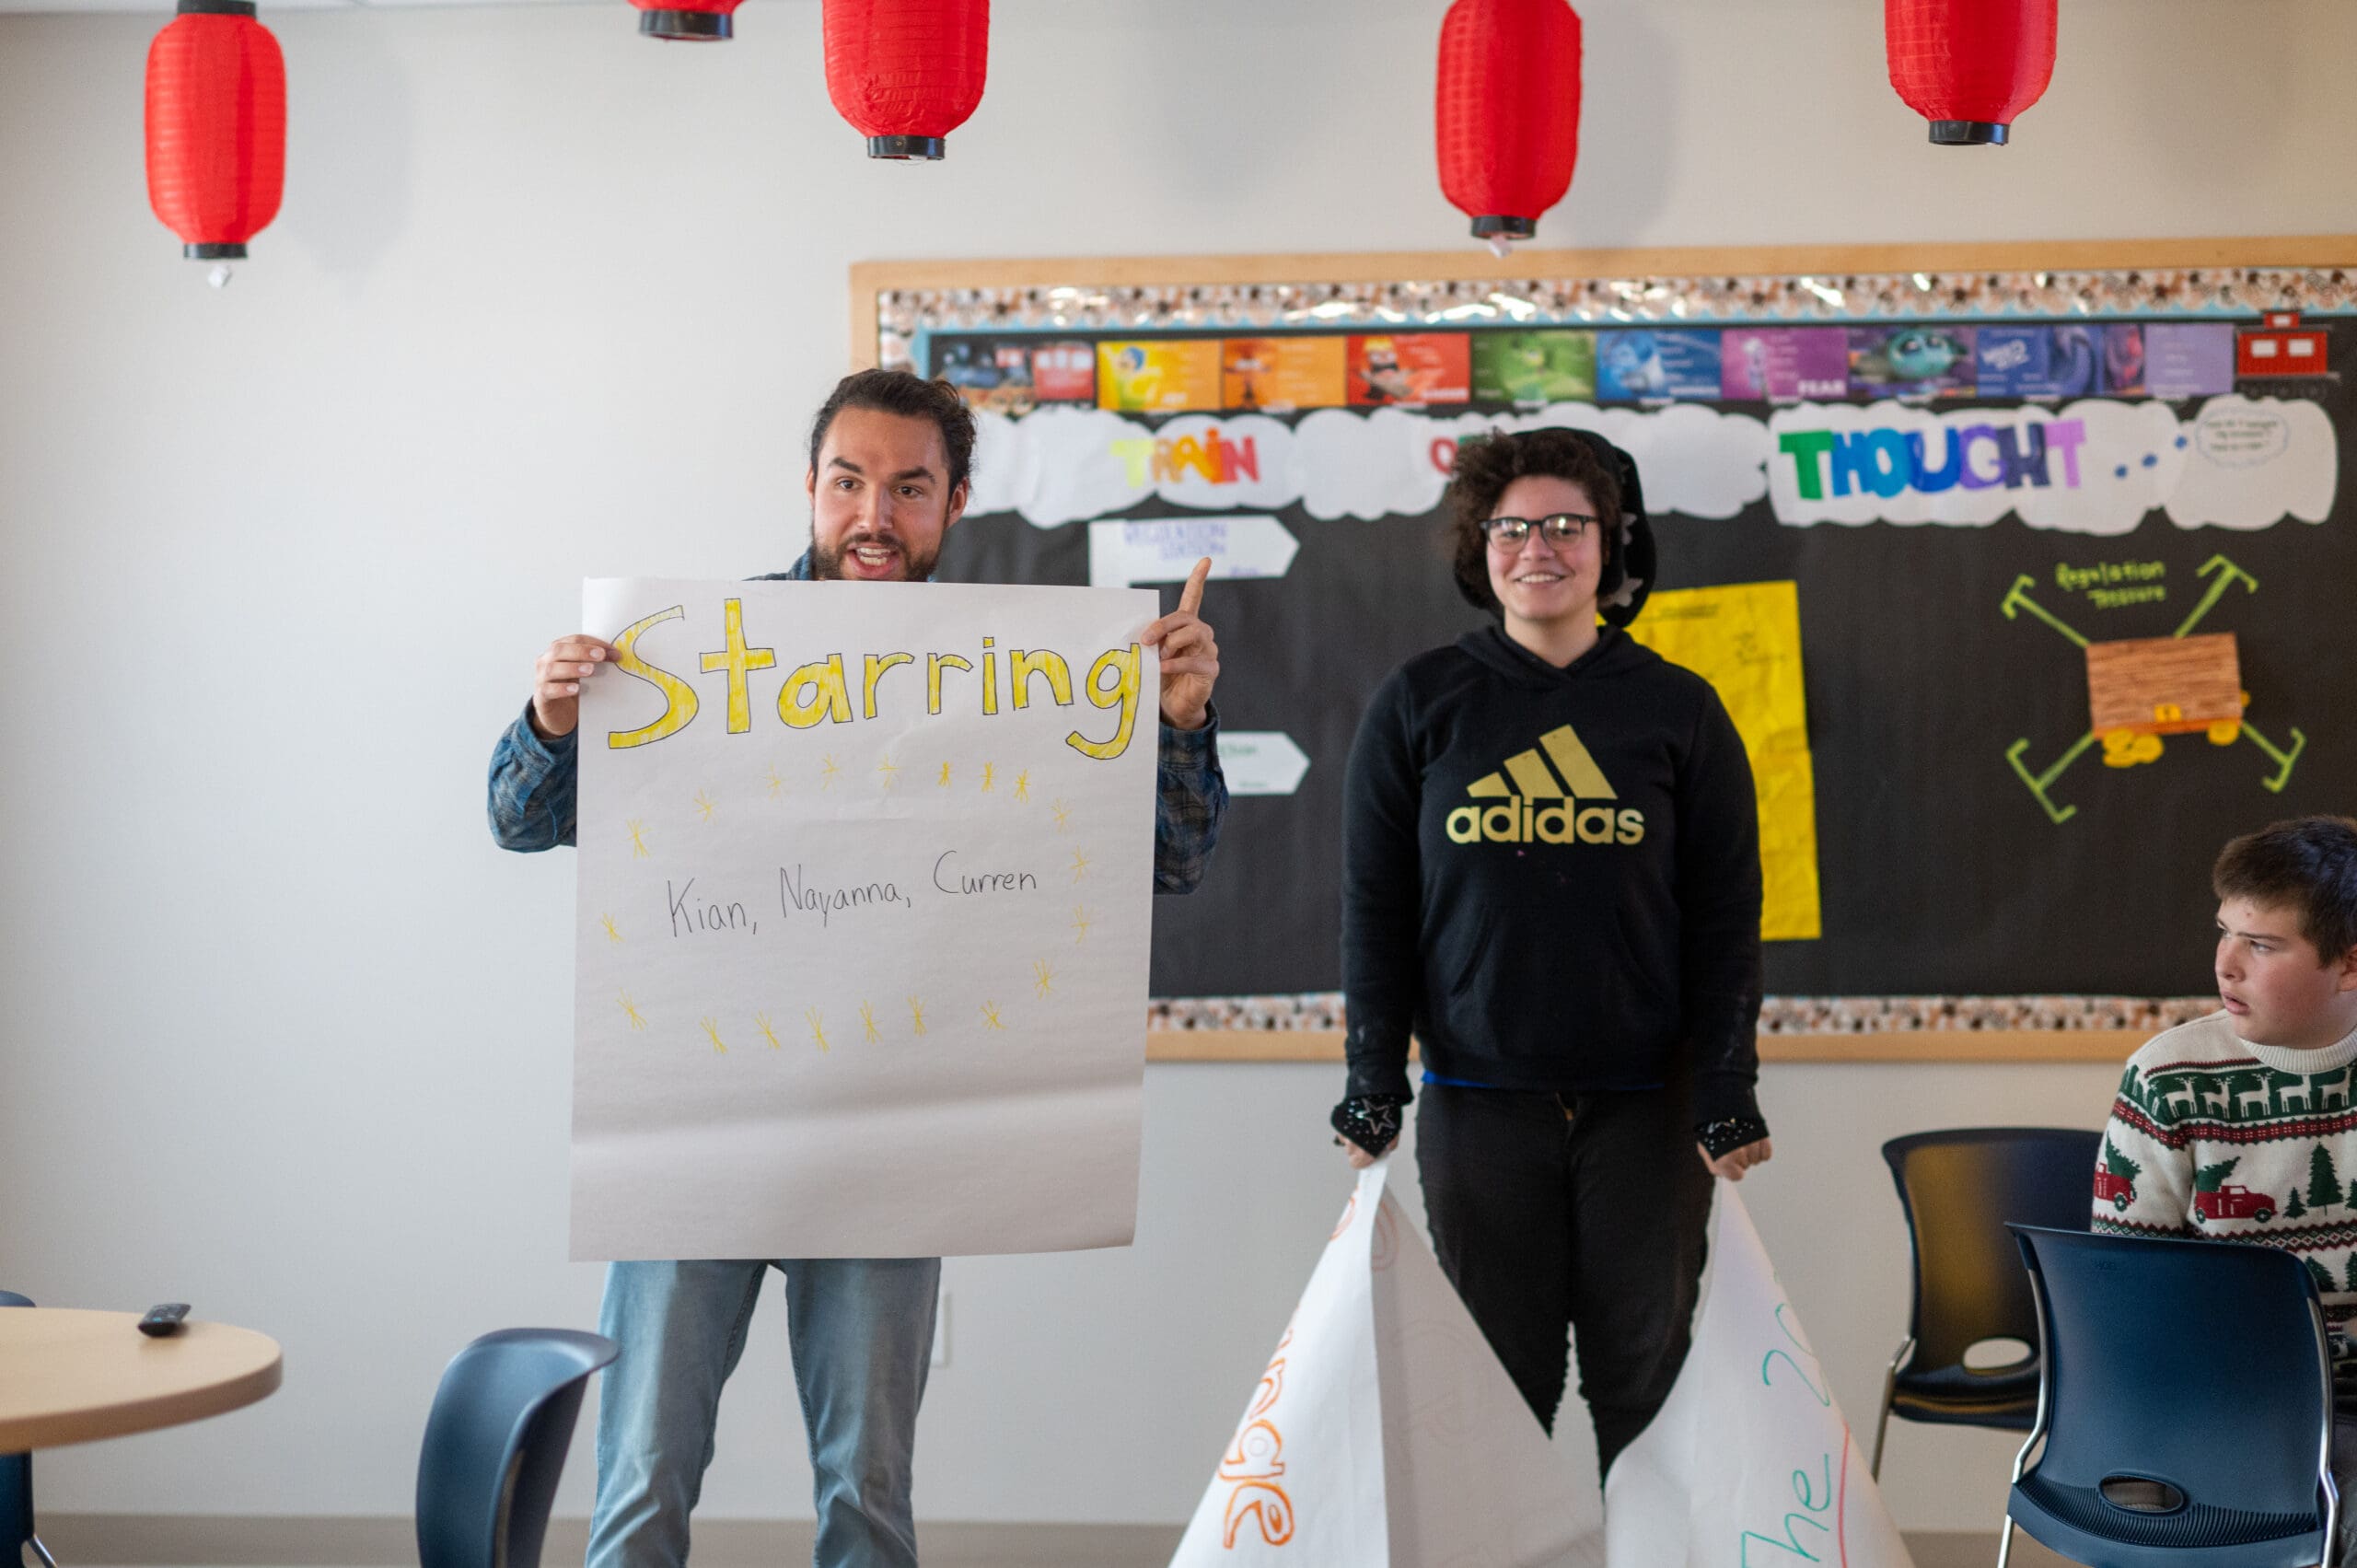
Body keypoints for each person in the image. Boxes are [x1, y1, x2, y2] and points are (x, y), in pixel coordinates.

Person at [486, 369, 1229, 1568]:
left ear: (957, 501)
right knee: (639, 1480)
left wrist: (1181, 721)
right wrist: (555, 716)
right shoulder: (694, 651)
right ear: (811, 488)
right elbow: (518, 819)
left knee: (869, 1497)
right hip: (697, 1131)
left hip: (893, 1135)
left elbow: (1173, 858)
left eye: (909, 486)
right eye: (850, 481)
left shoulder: (1025, 670)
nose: (874, 512)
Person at [1329, 424, 1771, 1480]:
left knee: (1645, 1384)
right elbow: (1373, 906)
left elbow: (1724, 916)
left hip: (1649, 1113)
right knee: (1493, 1393)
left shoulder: (1678, 708)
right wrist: (1369, 1077)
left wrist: (1726, 1085)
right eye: (1511, 526)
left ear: (1610, 544)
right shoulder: (1419, 702)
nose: (1539, 546)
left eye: (1567, 525)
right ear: (1479, 546)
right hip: (1481, 1105)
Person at [2093, 815, 2357, 1546]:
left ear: (2349, 963)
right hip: (2227, 1399)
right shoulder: (2168, 1075)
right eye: (2225, 931)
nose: (2226, 963)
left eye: (2262, 944)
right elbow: (2121, 1291)